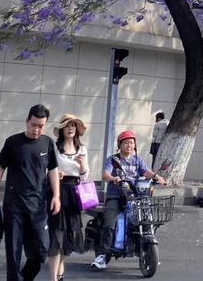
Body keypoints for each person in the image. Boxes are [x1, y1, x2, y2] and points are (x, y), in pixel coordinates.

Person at [0, 104, 60, 281]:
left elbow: (53, 170)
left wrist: (57, 196)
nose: (36, 129)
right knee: (13, 251)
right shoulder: (13, 142)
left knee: (41, 249)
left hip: (38, 206)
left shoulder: (48, 143)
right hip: (14, 205)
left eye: (41, 126)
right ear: (27, 121)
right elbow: (0, 168)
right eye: (33, 125)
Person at [91, 130, 166, 271]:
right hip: (116, 197)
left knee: (146, 220)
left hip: (136, 197)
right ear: (120, 145)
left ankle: (147, 251)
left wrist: (157, 176)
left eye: (131, 143)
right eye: (126, 142)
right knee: (110, 224)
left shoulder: (137, 160)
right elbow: (105, 174)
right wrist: (113, 178)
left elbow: (146, 172)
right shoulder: (114, 160)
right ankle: (101, 256)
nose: (129, 145)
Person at [47, 114, 89, 281]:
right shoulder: (55, 148)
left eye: (73, 125)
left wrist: (83, 165)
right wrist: (56, 173)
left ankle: (60, 271)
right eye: (67, 125)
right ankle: (53, 278)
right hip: (57, 192)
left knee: (68, 238)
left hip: (74, 194)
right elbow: (47, 169)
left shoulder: (82, 149)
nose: (70, 128)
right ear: (62, 129)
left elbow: (85, 178)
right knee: (55, 236)